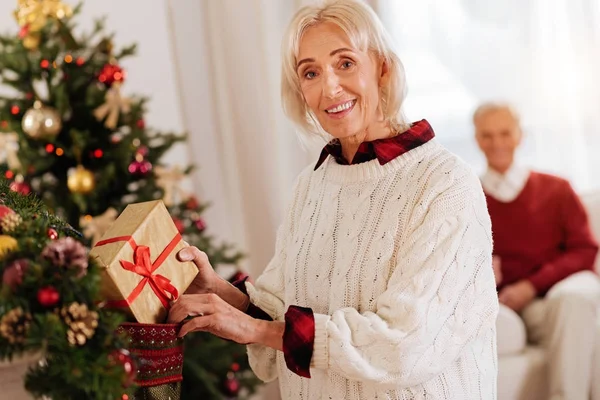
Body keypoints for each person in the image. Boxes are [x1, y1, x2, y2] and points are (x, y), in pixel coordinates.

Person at [169, 1, 499, 398]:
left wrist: (256, 329)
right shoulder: (311, 185)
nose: (330, 88)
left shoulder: (445, 183)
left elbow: (405, 343)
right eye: (311, 72)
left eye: (345, 63)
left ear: (382, 67)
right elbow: (282, 313)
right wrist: (222, 292)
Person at [474, 102, 600, 400]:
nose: (497, 143)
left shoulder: (556, 189)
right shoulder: (469, 197)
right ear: (477, 140)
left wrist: (531, 286)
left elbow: (584, 250)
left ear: (520, 135)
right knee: (583, 324)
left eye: (505, 133)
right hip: (513, 305)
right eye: (487, 135)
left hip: (560, 291)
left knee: (575, 303)